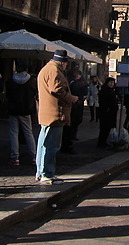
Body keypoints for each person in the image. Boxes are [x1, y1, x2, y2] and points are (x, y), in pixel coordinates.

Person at [36, 50, 77, 185]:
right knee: (51, 145)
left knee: (43, 144)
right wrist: (71, 98)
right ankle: (46, 173)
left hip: (48, 113)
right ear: (63, 62)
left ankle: (41, 172)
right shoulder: (54, 71)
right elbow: (57, 90)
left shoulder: (47, 69)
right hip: (54, 114)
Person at [5, 63, 37, 166]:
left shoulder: (10, 81)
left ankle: (15, 157)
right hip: (26, 110)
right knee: (28, 132)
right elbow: (34, 94)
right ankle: (34, 156)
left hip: (13, 109)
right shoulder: (31, 81)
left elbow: (8, 94)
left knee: (13, 133)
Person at [62, 69, 87, 154]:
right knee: (70, 125)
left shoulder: (72, 83)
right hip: (72, 106)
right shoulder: (73, 83)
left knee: (71, 124)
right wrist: (74, 99)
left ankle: (69, 141)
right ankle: (68, 144)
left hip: (72, 106)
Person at [97, 77, 118, 148]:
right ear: (107, 83)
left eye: (113, 82)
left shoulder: (112, 91)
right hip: (106, 113)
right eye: (110, 82)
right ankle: (101, 143)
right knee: (104, 128)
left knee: (107, 128)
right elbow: (103, 102)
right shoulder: (105, 91)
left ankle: (103, 142)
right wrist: (108, 109)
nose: (112, 84)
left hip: (110, 113)